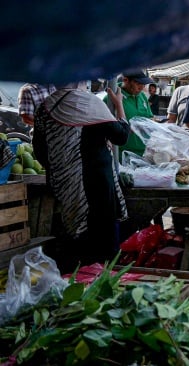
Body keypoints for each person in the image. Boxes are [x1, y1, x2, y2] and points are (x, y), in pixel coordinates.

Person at [32, 82, 130, 274]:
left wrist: (63, 170)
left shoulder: (46, 107)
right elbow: (121, 136)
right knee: (102, 243)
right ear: (81, 81)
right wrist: (119, 105)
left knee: (74, 243)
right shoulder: (92, 104)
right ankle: (101, 282)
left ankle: (75, 282)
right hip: (99, 183)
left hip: (66, 186)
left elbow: (40, 150)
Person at [103, 69, 155, 159]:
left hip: (144, 153)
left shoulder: (142, 96)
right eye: (138, 83)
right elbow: (106, 129)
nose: (142, 87)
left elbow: (150, 117)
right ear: (126, 80)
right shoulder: (111, 99)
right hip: (122, 154)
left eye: (143, 84)